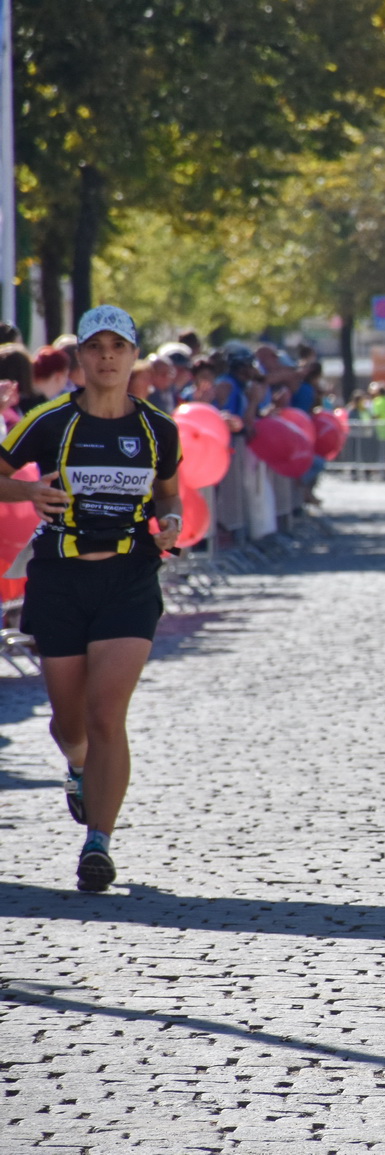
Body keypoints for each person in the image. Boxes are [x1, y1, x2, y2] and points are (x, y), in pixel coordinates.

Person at [0, 306, 183, 893]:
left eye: (118, 346)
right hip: (60, 578)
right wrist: (27, 488)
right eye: (96, 346)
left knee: (108, 715)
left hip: (130, 576)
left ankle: (98, 842)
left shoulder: (159, 428)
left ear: (134, 357)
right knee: (69, 723)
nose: (107, 356)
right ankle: (78, 766)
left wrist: (171, 523)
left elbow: (169, 495)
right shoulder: (49, 420)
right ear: (80, 356)